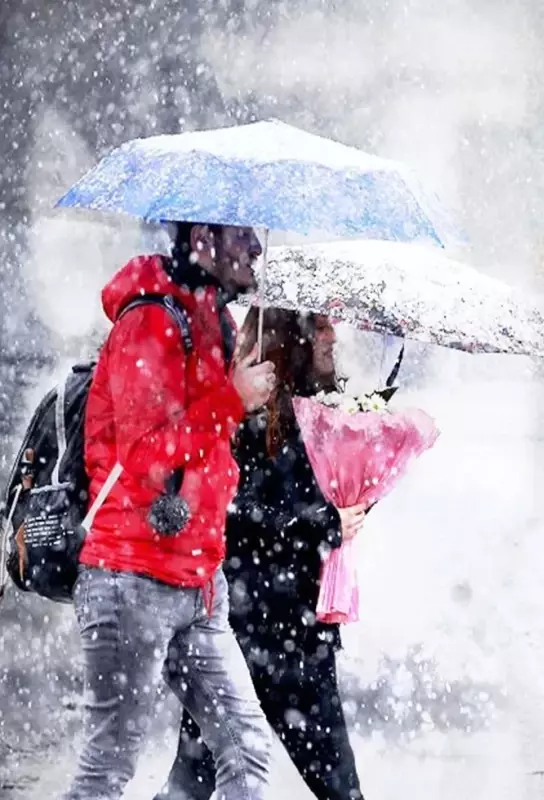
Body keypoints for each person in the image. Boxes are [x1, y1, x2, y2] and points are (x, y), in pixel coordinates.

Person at [66, 223, 277, 800]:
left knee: (246, 749)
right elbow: (145, 455)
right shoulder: (152, 321)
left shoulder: (217, 320)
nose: (257, 249)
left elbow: (214, 443)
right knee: (108, 767)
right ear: (204, 237)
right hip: (130, 577)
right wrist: (232, 398)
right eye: (243, 235)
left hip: (199, 583)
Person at [157, 308, 369, 800]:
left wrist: (354, 502)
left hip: (280, 635)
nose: (331, 335)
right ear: (288, 340)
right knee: (192, 784)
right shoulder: (241, 422)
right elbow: (237, 519)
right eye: (318, 326)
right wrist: (325, 523)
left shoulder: (317, 417)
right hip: (254, 636)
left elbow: (298, 513)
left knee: (191, 785)